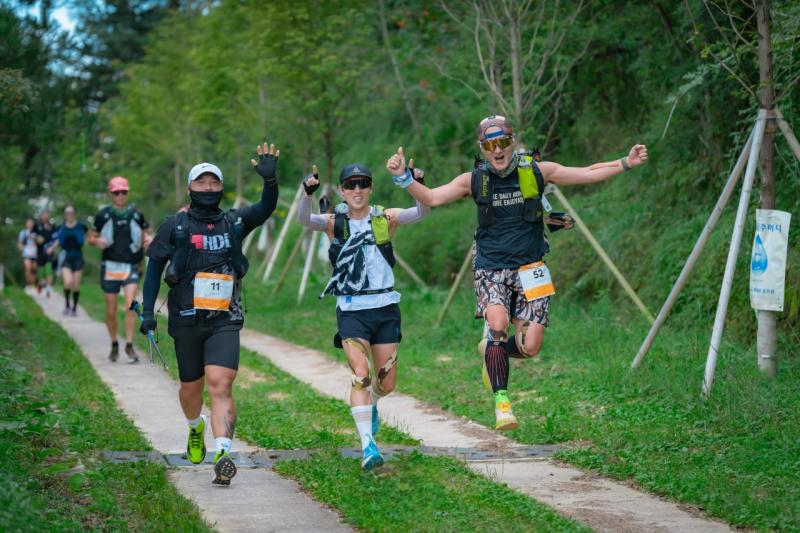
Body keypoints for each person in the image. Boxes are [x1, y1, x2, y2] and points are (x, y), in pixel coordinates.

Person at [392, 115, 649, 430]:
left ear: (512, 141)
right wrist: (405, 178)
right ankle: (502, 404)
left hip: (532, 268)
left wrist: (626, 162)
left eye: (502, 142)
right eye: (490, 145)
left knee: (531, 346)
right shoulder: (473, 179)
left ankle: (491, 351)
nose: (497, 150)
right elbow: (431, 197)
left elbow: (586, 172)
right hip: (491, 267)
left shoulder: (536, 171)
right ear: (482, 148)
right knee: (498, 324)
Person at [140, 143, 280, 486]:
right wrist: (147, 312)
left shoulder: (234, 221)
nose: (207, 188)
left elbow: (265, 208)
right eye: (200, 183)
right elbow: (154, 268)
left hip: (224, 319)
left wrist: (271, 180)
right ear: (190, 189)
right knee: (191, 388)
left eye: (213, 183)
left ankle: (223, 453)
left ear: (220, 188)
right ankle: (195, 427)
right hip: (185, 318)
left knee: (221, 385)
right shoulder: (175, 225)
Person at [298, 157, 429, 471]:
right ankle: (368, 445)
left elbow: (422, 211)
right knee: (360, 374)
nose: (357, 189)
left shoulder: (386, 217)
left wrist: (415, 184)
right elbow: (305, 220)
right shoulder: (335, 222)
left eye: (363, 184)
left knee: (386, 384)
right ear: (342, 191)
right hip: (352, 308)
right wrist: (306, 194)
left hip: (385, 308)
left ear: (370, 188)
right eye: (350, 185)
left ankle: (373, 402)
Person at [88, 176, 152, 362]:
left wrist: (147, 239)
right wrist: (96, 241)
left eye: (124, 192)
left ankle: (130, 345)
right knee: (111, 310)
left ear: (127, 193)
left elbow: (147, 232)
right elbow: (90, 237)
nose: (121, 195)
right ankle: (115, 343)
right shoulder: (103, 215)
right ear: (111, 194)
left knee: (131, 306)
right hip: (110, 266)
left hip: (131, 265)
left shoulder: (136, 214)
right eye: (117, 192)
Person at [48, 205, 88, 316]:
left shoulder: (81, 226)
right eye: (67, 213)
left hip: (78, 257)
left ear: (74, 214)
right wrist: (51, 248)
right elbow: (57, 240)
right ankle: (66, 305)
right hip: (66, 257)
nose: (69, 215)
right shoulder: (61, 228)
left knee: (76, 285)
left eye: (71, 212)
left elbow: (88, 237)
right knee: (68, 282)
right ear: (65, 215)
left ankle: (74, 308)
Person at [33, 209, 56, 297]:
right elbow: (33, 235)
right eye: (44, 214)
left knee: (49, 269)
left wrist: (52, 247)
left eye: (47, 214)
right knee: (40, 272)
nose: (45, 216)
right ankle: (40, 284)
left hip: (49, 252)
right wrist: (37, 239)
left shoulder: (52, 226)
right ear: (41, 216)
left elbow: (56, 238)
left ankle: (48, 290)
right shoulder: (37, 225)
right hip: (39, 252)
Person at [18, 218, 38, 287]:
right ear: (26, 224)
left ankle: (32, 283)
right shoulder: (23, 232)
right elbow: (20, 243)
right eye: (29, 223)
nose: (30, 224)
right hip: (26, 254)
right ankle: (28, 283)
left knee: (33, 269)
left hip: (34, 254)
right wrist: (23, 248)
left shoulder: (36, 233)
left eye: (31, 223)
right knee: (28, 268)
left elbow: (40, 242)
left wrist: (36, 239)